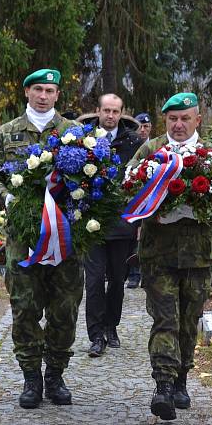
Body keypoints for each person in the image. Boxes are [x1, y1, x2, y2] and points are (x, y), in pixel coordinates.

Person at [0, 68, 82, 410]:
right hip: (22, 240)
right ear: (27, 92)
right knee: (24, 309)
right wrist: (4, 197)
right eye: (37, 89)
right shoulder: (7, 133)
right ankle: (31, 378)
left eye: (50, 90)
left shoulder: (74, 133)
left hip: (64, 241)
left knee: (64, 309)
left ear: (57, 95)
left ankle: (55, 373)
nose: (43, 96)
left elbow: (94, 176)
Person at [127, 92, 212, 420]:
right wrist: (154, 210)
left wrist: (200, 209)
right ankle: (163, 386)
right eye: (172, 119)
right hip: (158, 254)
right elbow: (129, 188)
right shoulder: (150, 151)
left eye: (185, 118)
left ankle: (182, 379)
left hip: (198, 255)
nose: (178, 125)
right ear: (164, 120)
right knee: (165, 318)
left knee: (188, 320)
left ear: (197, 120)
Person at [77, 95, 144, 357]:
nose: (110, 115)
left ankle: (111, 326)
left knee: (117, 280)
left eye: (115, 111)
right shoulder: (83, 139)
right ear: (98, 111)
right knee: (93, 282)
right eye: (106, 110)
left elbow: (141, 184)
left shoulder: (134, 143)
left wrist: (139, 221)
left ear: (122, 114)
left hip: (122, 222)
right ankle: (95, 335)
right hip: (92, 222)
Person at [126, 112, 152, 289]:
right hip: (134, 198)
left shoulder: (156, 146)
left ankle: (147, 273)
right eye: (139, 127)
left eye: (146, 127)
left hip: (152, 199)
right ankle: (134, 274)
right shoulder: (131, 145)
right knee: (132, 237)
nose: (142, 130)